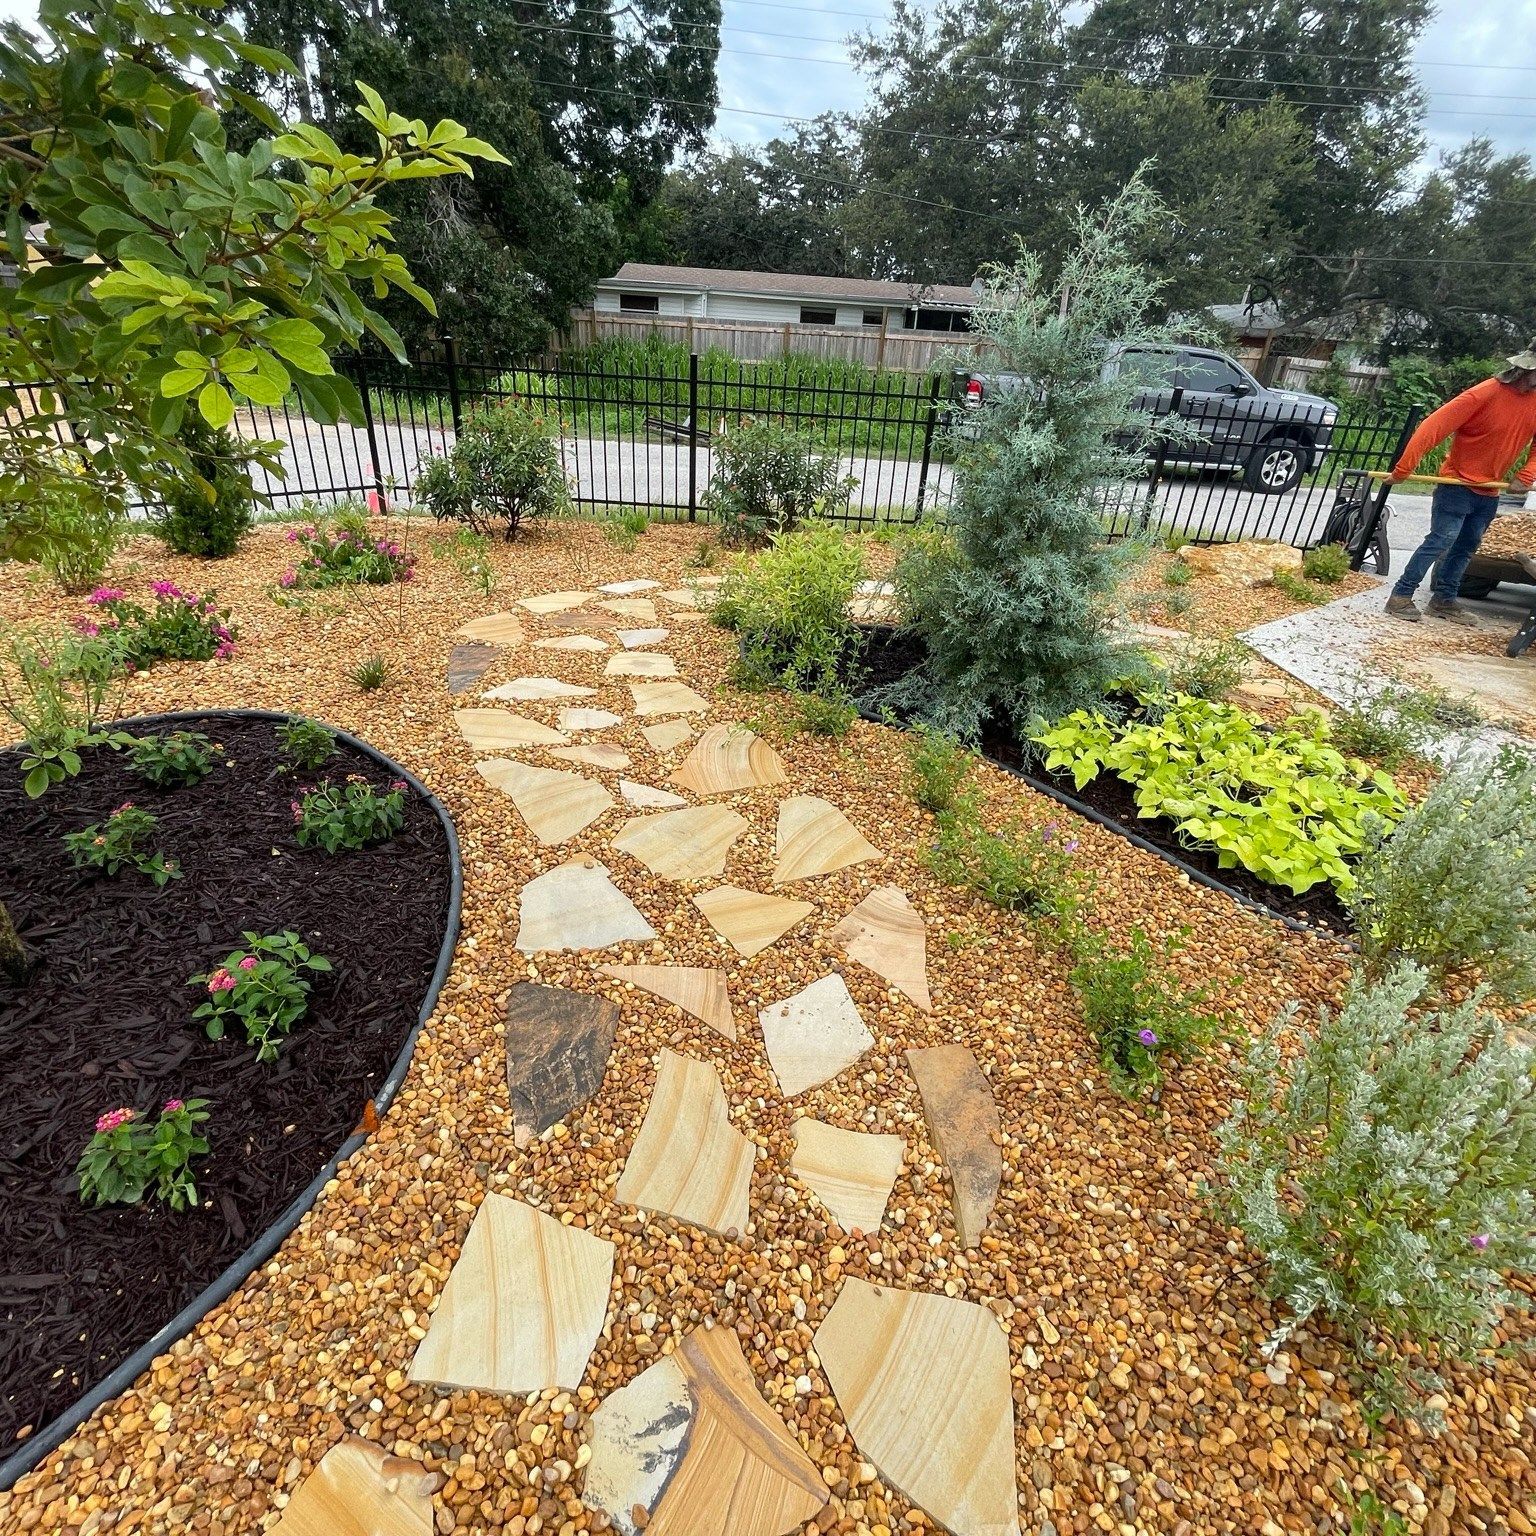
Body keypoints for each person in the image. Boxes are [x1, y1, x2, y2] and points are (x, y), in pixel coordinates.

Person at [1384, 347, 1536, 624]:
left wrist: (1526, 474)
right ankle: (1400, 596)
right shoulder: (1485, 393)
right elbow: (1433, 426)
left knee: (1467, 546)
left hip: (1489, 490)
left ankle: (1444, 600)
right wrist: (1404, 469)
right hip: (1455, 484)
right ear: (1528, 370)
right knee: (1441, 540)